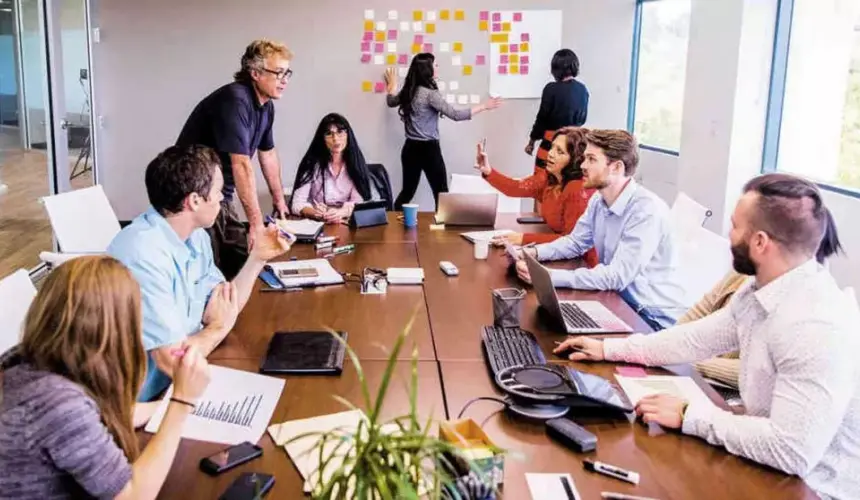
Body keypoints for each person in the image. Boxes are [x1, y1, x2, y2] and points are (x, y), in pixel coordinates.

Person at [554, 173, 860, 499]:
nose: (728, 236)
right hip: (766, 460)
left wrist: (689, 416)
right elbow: (693, 339)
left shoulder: (813, 324)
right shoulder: (761, 291)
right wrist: (607, 348)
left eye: (735, 226)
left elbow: (791, 450)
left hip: (808, 488)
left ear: (760, 242)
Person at [0, 256, 211, 498]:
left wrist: (175, 404)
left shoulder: (31, 361)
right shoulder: (56, 403)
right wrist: (182, 402)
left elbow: (101, 414)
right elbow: (134, 496)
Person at [107, 145, 291, 402]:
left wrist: (258, 258)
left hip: (180, 384)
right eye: (217, 192)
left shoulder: (196, 237)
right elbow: (172, 361)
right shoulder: (142, 254)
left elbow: (224, 305)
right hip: (139, 403)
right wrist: (216, 329)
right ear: (194, 201)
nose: (222, 199)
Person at [515, 129, 688, 330]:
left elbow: (616, 276)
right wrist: (533, 252)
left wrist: (551, 277)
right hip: (618, 303)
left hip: (651, 319)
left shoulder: (646, 211)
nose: (582, 165)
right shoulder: (599, 199)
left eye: (590, 159)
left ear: (616, 167)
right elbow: (575, 242)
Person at [682, 209, 844, 389]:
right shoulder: (745, 277)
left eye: (737, 227)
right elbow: (698, 315)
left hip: (734, 396)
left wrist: (694, 361)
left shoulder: (811, 311)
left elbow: (763, 373)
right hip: (701, 376)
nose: (731, 234)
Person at [176, 39, 293, 280]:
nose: (285, 80)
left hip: (219, 195)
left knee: (245, 260)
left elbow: (267, 153)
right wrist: (256, 225)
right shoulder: (235, 99)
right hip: (194, 196)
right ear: (256, 73)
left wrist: (280, 202)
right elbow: (241, 164)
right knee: (212, 271)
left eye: (287, 73)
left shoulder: (266, 106)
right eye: (278, 72)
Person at [383, 53, 502, 210]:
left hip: (410, 148)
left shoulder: (409, 91)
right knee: (441, 193)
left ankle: (391, 223)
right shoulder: (431, 94)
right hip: (428, 150)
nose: (438, 67)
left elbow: (391, 101)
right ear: (428, 70)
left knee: (407, 192)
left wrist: (391, 87)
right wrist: (484, 106)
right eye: (435, 65)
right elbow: (456, 115)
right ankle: (442, 229)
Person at [473, 127, 597, 267]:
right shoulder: (549, 178)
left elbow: (571, 243)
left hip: (581, 264)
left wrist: (522, 238)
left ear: (575, 159)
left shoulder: (577, 189)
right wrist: (489, 171)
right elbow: (516, 187)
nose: (550, 154)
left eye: (560, 152)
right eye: (552, 147)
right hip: (556, 255)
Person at [290, 113, 373, 223]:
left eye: (340, 132)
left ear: (348, 135)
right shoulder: (311, 164)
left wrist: (341, 212)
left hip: (347, 224)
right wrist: (315, 213)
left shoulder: (355, 164)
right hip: (318, 223)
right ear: (322, 139)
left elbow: (359, 203)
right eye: (329, 134)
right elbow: (297, 203)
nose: (335, 139)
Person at [525, 49, 589, 172]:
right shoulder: (582, 89)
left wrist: (531, 142)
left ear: (555, 68)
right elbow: (583, 119)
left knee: (542, 182)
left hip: (551, 143)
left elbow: (541, 119)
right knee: (566, 182)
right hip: (574, 146)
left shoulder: (551, 89)